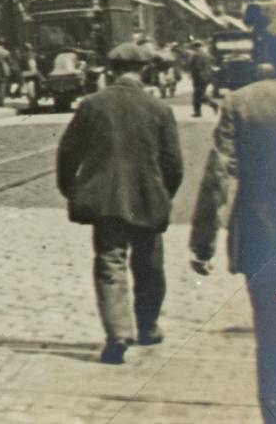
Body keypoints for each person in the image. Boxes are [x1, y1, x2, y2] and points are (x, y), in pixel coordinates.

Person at [190, 45, 276, 423]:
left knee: (275, 346)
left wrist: (202, 244)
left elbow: (217, 178)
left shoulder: (243, 102)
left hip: (264, 243)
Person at [56, 51, 183, 365]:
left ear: (111, 70)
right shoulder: (160, 108)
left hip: (107, 201)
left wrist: (72, 189)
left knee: (110, 263)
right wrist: (163, 194)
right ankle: (148, 326)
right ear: (144, 70)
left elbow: (67, 154)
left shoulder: (92, 105)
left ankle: (118, 334)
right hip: (146, 198)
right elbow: (173, 164)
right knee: (150, 266)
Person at [188, 39, 216, 117]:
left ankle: (199, 112)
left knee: (197, 95)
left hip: (199, 77)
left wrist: (192, 74)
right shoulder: (207, 54)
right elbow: (213, 61)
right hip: (207, 77)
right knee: (200, 94)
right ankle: (209, 106)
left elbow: (196, 67)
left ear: (195, 47)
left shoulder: (196, 55)